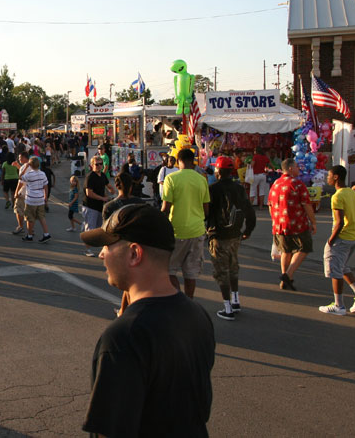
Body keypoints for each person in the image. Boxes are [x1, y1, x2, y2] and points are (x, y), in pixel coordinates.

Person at [80, 204, 215, 437]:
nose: (102, 254)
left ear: (134, 254)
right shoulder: (198, 315)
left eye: (108, 245)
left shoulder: (124, 337)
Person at [317, 166, 355, 316]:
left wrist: (330, 240)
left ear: (335, 177)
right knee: (343, 267)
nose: (327, 178)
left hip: (342, 238)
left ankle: (338, 305)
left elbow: (339, 222)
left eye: (329, 175)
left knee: (335, 270)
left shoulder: (337, 196)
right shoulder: (351, 192)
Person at [206, 157, 256, 320]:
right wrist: (248, 229)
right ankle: (236, 299)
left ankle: (227, 308)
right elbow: (249, 210)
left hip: (218, 235)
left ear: (218, 171)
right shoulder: (239, 188)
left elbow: (206, 212)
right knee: (233, 267)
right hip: (235, 234)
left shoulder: (212, 189)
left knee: (221, 272)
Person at [160, 149, 210, 298]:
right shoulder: (202, 179)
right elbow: (206, 209)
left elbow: (165, 208)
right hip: (197, 231)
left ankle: (178, 298)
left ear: (178, 161)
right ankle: (189, 302)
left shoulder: (171, 178)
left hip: (177, 230)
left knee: (168, 270)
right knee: (191, 273)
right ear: (192, 160)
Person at [269, 158, 316, 291]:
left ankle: (286, 279)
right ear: (290, 168)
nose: (298, 169)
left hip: (279, 224)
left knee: (286, 250)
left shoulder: (275, 184)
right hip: (297, 223)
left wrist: (274, 219)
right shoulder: (298, 184)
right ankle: (288, 275)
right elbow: (307, 205)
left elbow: (270, 205)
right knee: (304, 247)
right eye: (296, 166)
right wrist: (313, 222)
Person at [82, 155, 115, 257]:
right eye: (97, 164)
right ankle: (87, 249)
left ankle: (103, 250)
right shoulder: (90, 177)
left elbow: (109, 186)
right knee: (91, 229)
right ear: (92, 165)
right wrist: (103, 198)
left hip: (100, 206)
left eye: (101, 164)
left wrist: (113, 192)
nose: (99, 166)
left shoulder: (102, 175)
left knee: (101, 229)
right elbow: (89, 193)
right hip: (90, 206)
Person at [15, 156, 51, 243]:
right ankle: (46, 234)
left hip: (31, 199)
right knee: (42, 217)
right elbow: (46, 186)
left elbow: (20, 177)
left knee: (30, 218)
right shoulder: (42, 174)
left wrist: (25, 167)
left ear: (30, 165)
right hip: (40, 198)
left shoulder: (29, 175)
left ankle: (29, 235)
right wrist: (45, 196)